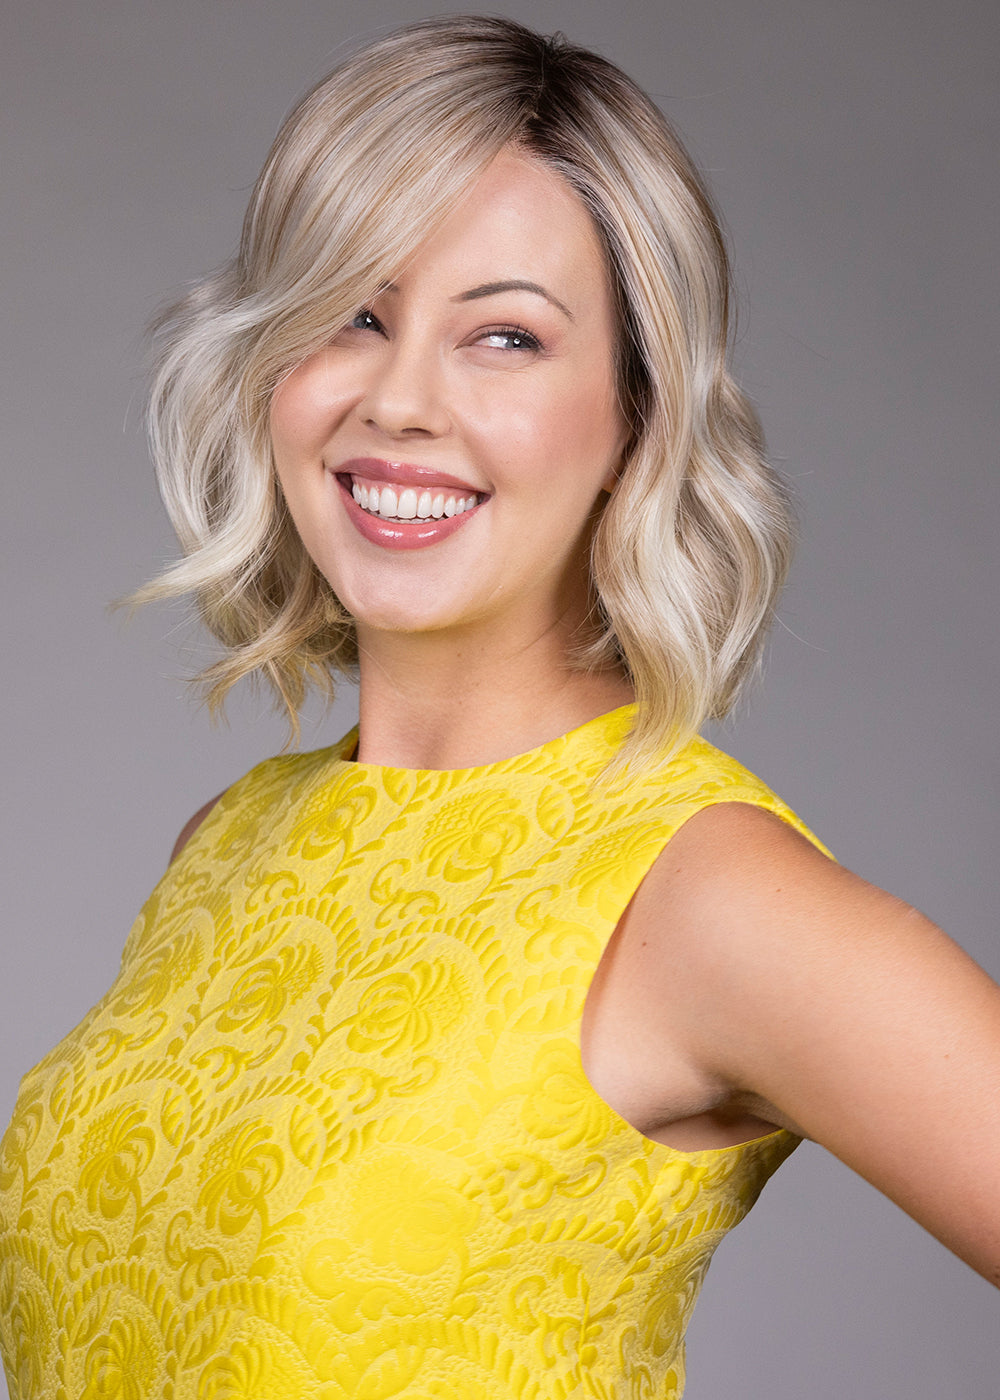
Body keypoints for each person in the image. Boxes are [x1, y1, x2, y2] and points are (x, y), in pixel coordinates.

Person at [0, 14, 996, 1399]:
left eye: (507, 336)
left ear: (638, 417)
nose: (401, 400)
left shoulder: (705, 895)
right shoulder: (226, 842)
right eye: (353, 312)